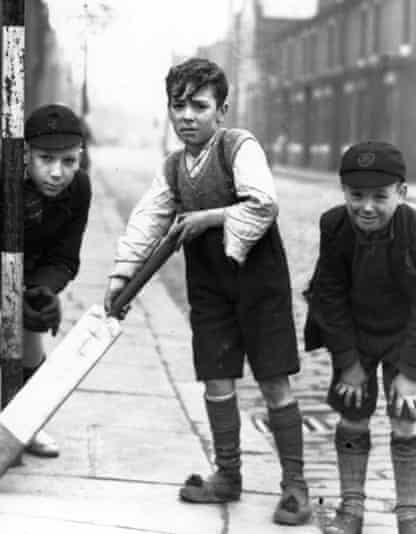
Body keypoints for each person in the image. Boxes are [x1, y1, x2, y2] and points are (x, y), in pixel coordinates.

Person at [103, 58, 310, 525]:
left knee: (273, 377)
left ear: (222, 110)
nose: (187, 116)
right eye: (178, 106)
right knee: (216, 376)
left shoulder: (238, 147)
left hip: (258, 279)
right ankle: (228, 475)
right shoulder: (175, 167)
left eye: (199, 105)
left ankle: (295, 486)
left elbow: (264, 202)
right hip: (209, 282)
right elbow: (147, 221)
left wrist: (208, 218)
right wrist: (120, 279)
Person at [0, 104, 91, 458]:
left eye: (69, 161)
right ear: (25, 154)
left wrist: (43, 291)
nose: (58, 173)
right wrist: (7, 296)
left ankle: (27, 421)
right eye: (46, 159)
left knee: (30, 335)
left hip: (32, 278)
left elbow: (65, 257)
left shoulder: (79, 188)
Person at [306, 142, 416, 534]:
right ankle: (351, 509)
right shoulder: (335, 227)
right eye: (356, 195)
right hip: (356, 331)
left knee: (406, 417)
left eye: (380, 197)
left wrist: (412, 369)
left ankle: (409, 514)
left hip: (405, 335)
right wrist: (348, 363)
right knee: (352, 410)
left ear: (402, 193)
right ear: (343, 192)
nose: (366, 207)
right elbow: (328, 295)